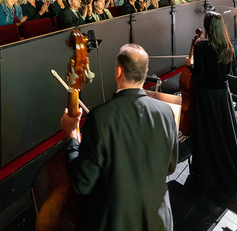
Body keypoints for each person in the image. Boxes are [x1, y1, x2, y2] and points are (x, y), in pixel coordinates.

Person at [59, 44, 178, 231]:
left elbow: (82, 183)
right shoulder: (166, 112)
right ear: (145, 72)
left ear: (119, 72)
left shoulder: (100, 117)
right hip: (158, 221)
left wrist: (72, 137)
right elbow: (170, 167)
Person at [186, 11, 237, 191]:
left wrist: (190, 65)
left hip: (207, 95)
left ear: (207, 27)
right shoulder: (227, 45)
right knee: (223, 132)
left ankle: (208, 174)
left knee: (207, 132)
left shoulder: (201, 47)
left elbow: (199, 75)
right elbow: (227, 72)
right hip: (222, 95)